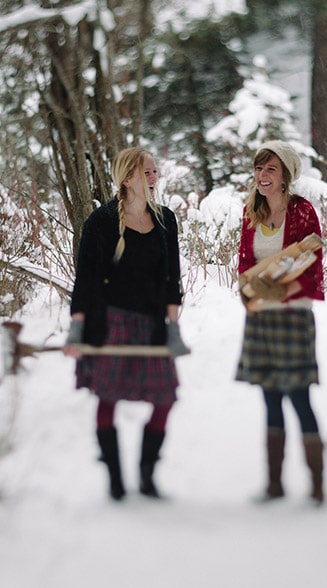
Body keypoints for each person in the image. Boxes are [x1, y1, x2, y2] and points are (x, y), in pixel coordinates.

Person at [64, 147, 190, 501]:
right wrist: (76, 329)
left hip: (151, 324)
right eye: (146, 172)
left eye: (155, 172)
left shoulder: (165, 219)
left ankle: (147, 474)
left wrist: (173, 328)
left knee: (164, 399)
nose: (154, 179)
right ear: (127, 177)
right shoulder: (101, 222)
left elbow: (171, 280)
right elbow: (86, 280)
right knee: (108, 398)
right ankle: (116, 478)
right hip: (111, 322)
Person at [235, 140, 326, 504]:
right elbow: (244, 262)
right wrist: (248, 290)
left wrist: (282, 293)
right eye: (259, 169)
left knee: (299, 397)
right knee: (270, 399)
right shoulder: (251, 212)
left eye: (270, 169)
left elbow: (313, 263)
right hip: (261, 318)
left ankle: (317, 484)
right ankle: (275, 483)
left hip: (293, 316)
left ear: (287, 174)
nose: (262, 176)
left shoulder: (302, 212)